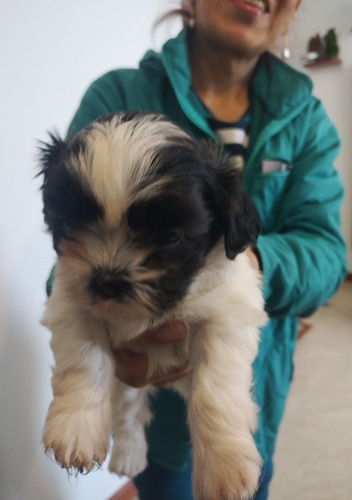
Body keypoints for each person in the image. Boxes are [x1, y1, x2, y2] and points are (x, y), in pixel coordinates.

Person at [51, 0, 348, 498]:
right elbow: (62, 277)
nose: (110, 267)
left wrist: (252, 264)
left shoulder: (308, 120)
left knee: (243, 474)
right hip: (158, 437)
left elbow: (326, 255)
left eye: (162, 237)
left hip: (257, 398)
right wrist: (87, 386)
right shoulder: (116, 93)